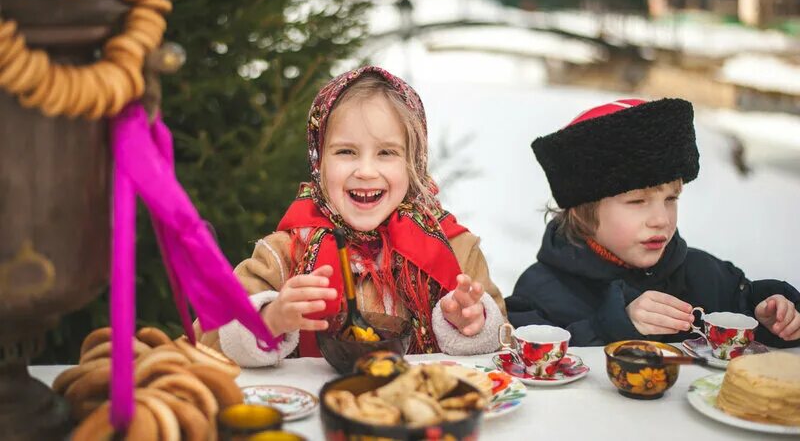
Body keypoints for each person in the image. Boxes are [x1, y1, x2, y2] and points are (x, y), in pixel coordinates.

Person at [196, 66, 506, 365]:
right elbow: (204, 342)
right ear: (320, 163)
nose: (366, 171)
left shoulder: (456, 249)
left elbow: (506, 343)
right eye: (346, 152)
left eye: (386, 153)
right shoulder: (283, 255)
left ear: (413, 164)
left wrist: (473, 324)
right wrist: (270, 318)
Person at [505, 98, 800, 347]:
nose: (661, 219)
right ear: (582, 211)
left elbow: (748, 317)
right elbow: (527, 363)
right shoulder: (541, 294)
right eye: (637, 202)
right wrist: (615, 324)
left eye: (671, 198)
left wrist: (774, 317)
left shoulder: (704, 276)